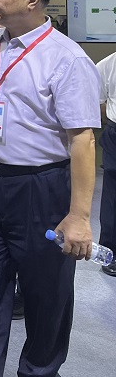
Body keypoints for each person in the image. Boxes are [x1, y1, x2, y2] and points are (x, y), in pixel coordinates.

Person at [0, 0, 99, 377]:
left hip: (40, 189)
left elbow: (82, 140)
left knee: (45, 295)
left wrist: (79, 217)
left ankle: (38, 371)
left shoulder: (67, 58)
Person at [97, 51, 116, 277]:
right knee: (112, 196)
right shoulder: (107, 64)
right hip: (115, 133)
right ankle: (110, 253)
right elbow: (99, 102)